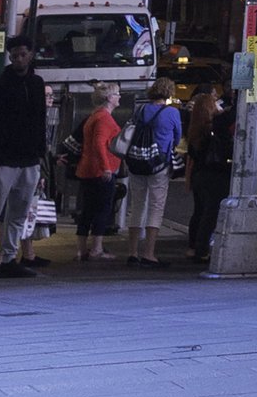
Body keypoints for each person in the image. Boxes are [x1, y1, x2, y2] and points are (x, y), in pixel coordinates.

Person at [0, 38, 48, 277]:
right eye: (15, 56)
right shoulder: (0, 86)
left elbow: (40, 121)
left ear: (30, 55)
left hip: (27, 160)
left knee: (17, 213)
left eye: (22, 55)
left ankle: (7, 258)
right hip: (5, 160)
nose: (18, 59)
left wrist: (40, 156)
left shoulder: (35, 84)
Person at [119, 85, 183, 267]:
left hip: (136, 161)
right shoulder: (171, 113)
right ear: (169, 93)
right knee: (156, 206)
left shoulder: (141, 109)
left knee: (137, 205)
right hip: (159, 163)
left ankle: (132, 252)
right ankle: (149, 253)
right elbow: (177, 138)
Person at [71, 84, 124, 262]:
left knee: (87, 210)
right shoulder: (104, 118)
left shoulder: (94, 116)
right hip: (99, 171)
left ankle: (81, 250)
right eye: (117, 94)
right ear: (109, 98)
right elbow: (100, 144)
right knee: (102, 209)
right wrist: (106, 167)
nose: (120, 97)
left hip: (87, 169)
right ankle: (96, 249)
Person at [184, 83, 233, 268]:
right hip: (214, 175)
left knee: (200, 211)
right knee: (210, 214)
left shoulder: (195, 128)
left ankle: (195, 246)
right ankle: (202, 249)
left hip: (199, 175)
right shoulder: (212, 130)